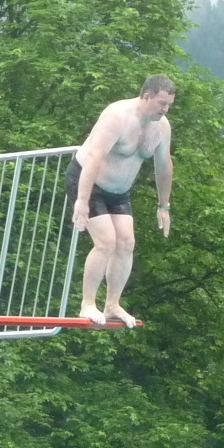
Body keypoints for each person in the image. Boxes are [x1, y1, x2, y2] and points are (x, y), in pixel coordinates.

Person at [65, 74, 175, 327]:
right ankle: (87, 304)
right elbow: (94, 157)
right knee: (106, 241)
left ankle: (112, 304)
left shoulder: (162, 127)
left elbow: (163, 165)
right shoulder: (117, 116)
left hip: (119, 192)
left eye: (169, 105)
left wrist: (164, 205)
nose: (165, 110)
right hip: (88, 181)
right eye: (161, 103)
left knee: (126, 243)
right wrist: (82, 200)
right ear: (146, 96)